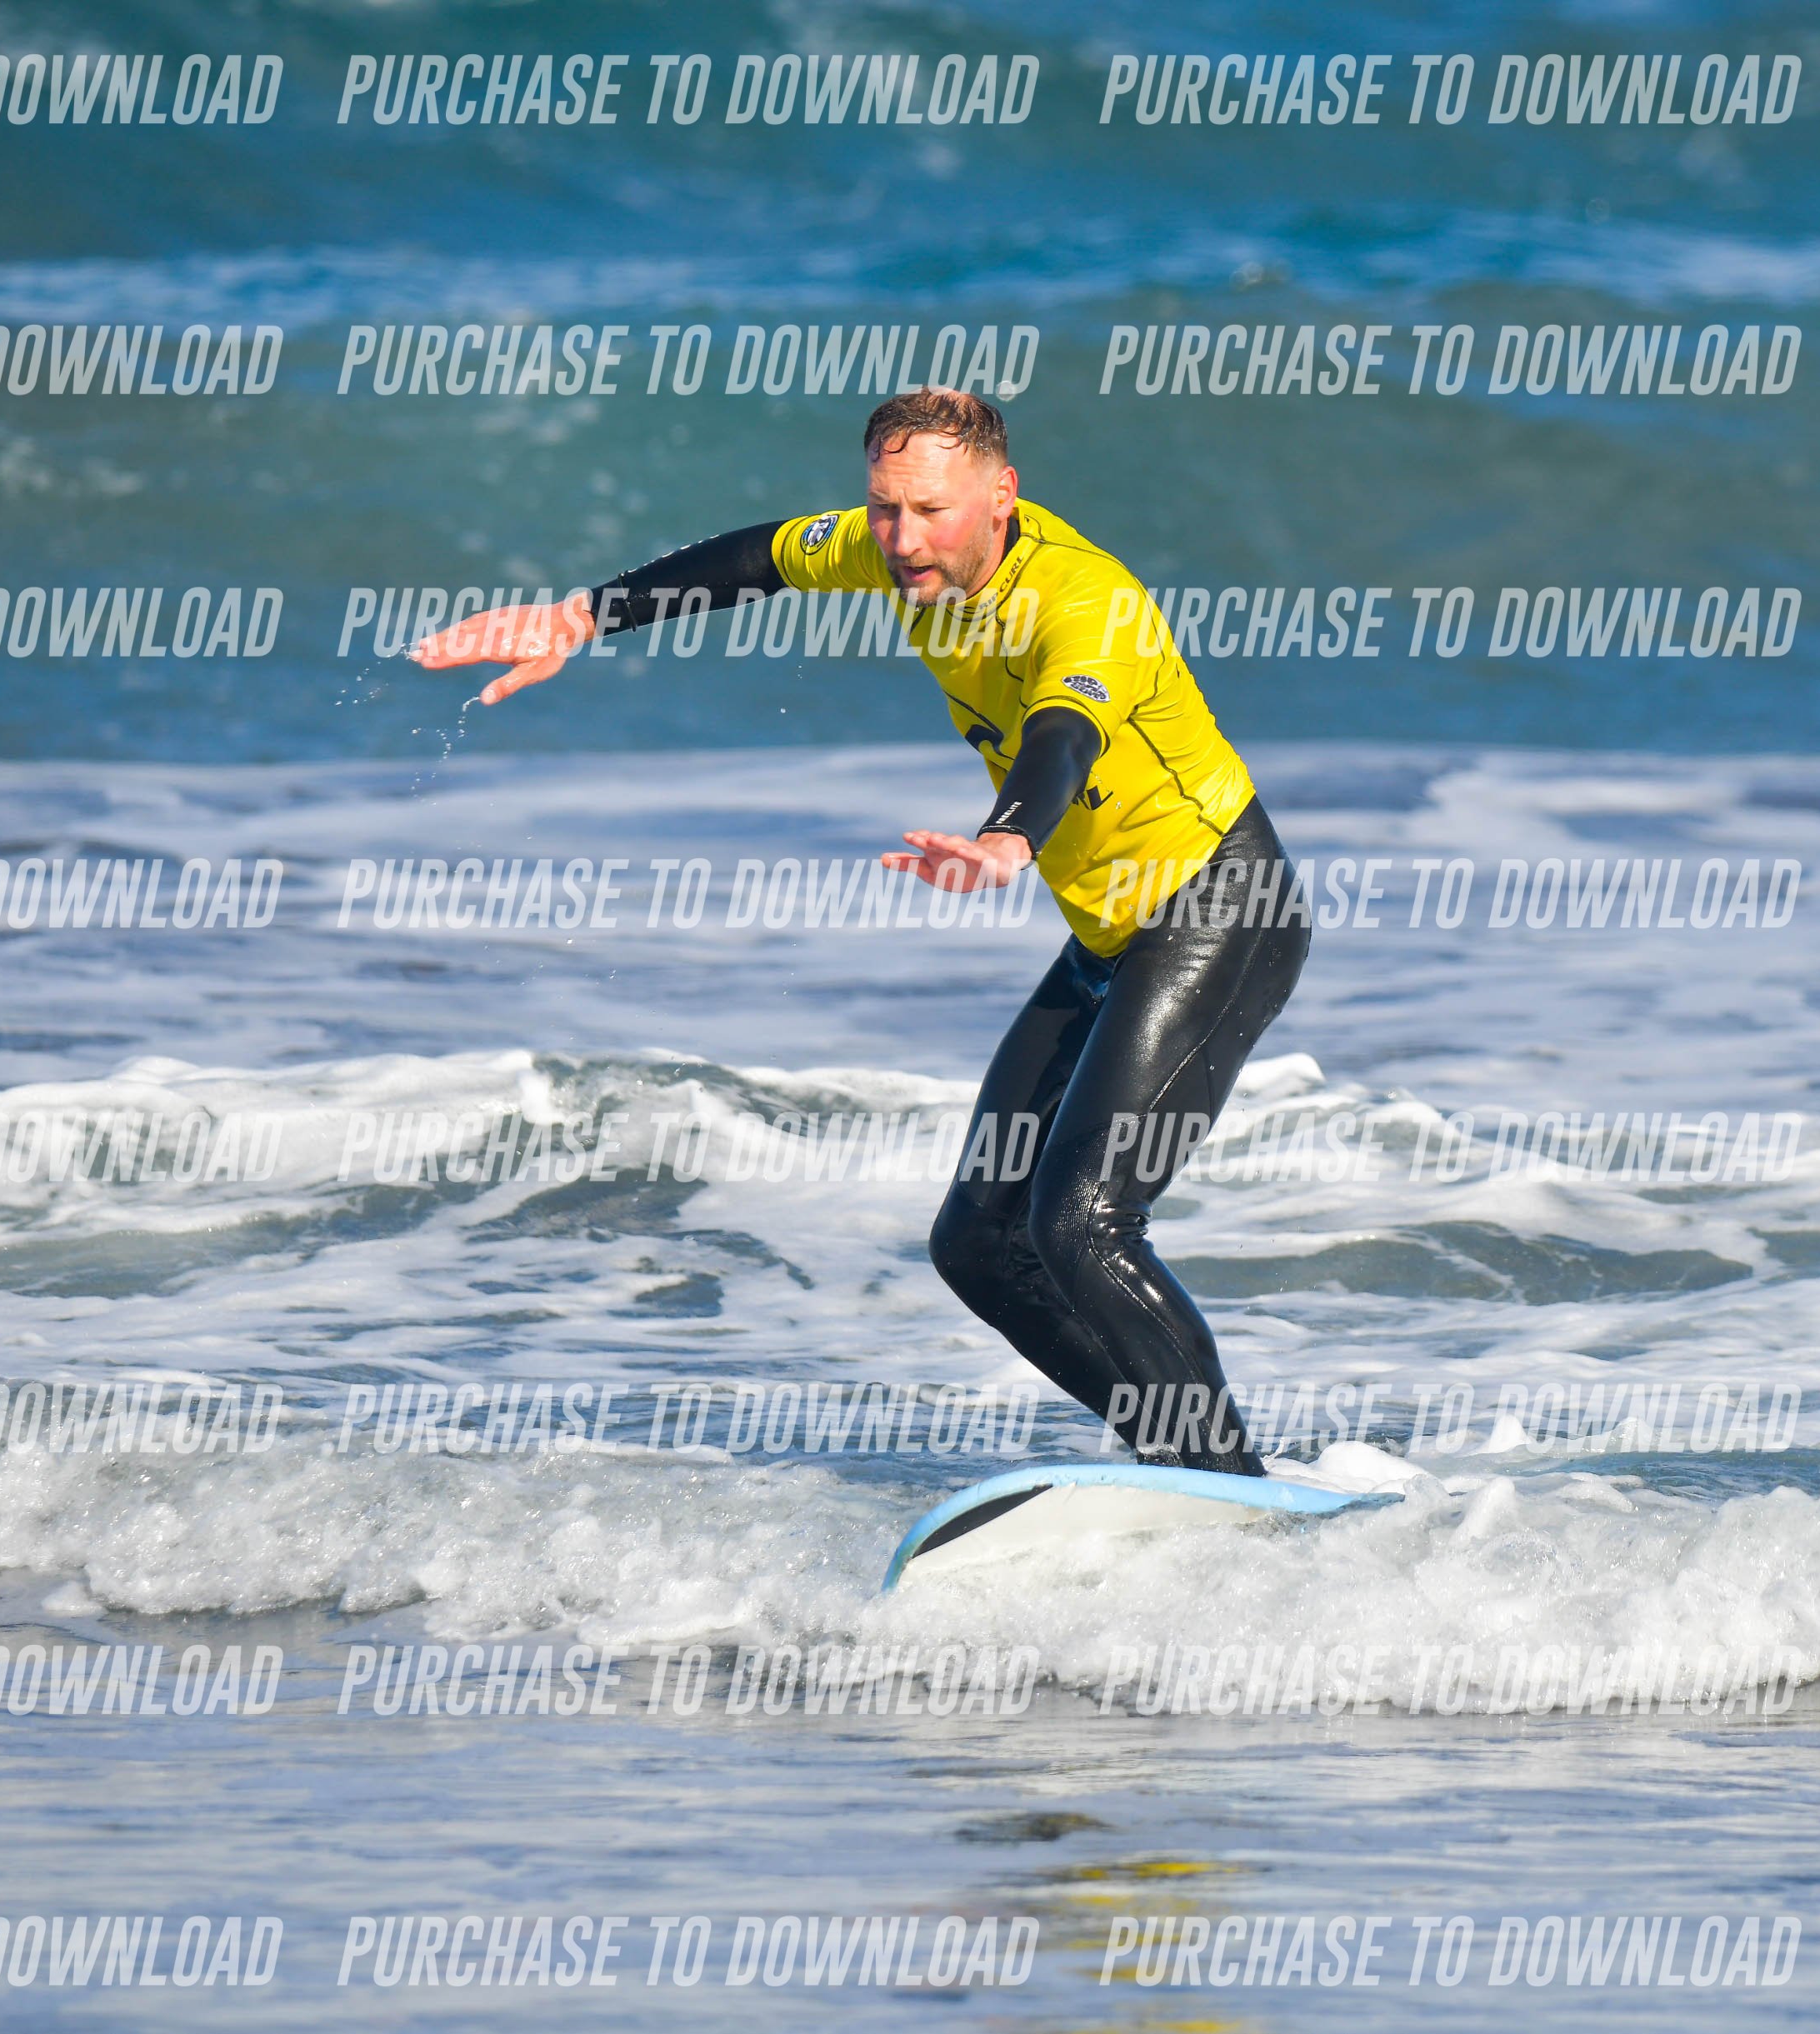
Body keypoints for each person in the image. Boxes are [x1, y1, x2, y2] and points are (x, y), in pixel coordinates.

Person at [417, 387, 1304, 1474]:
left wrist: (1008, 838)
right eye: (885, 508)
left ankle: (1229, 1487)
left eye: (930, 510)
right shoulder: (899, 552)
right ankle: (1184, 1467)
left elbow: (1062, 735)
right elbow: (758, 560)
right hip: (1111, 937)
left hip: (1219, 909)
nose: (903, 537)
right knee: (978, 1246)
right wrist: (578, 617)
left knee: (1082, 1222)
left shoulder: (1084, 602)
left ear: (1001, 495)